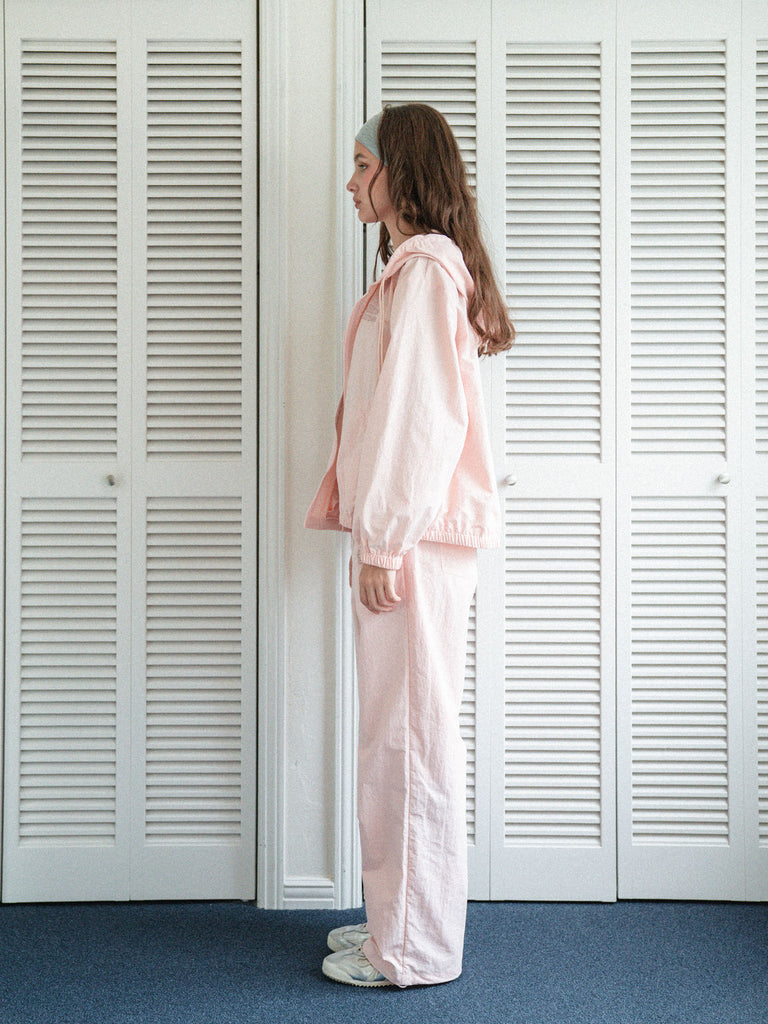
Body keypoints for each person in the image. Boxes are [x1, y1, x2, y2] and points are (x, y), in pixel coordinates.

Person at [305, 103, 514, 988]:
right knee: (394, 738)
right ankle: (398, 919)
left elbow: (420, 422)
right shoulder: (415, 268)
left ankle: (415, 951)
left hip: (413, 546)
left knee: (409, 743)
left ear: (402, 172)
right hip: (408, 542)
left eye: (363, 166)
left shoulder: (424, 270)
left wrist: (384, 542)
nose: (351, 182)